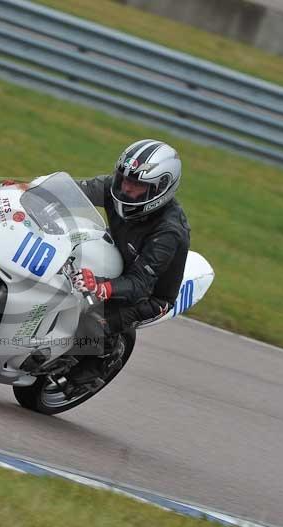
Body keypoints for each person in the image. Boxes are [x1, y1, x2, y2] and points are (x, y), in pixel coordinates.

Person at [69, 139, 191, 381]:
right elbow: (75, 191)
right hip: (117, 257)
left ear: (159, 189)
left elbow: (139, 284)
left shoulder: (168, 231)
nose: (126, 188)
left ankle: (103, 359)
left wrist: (101, 287)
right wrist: (29, 189)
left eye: (136, 184)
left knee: (91, 324)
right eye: (124, 178)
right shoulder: (117, 190)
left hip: (148, 295)